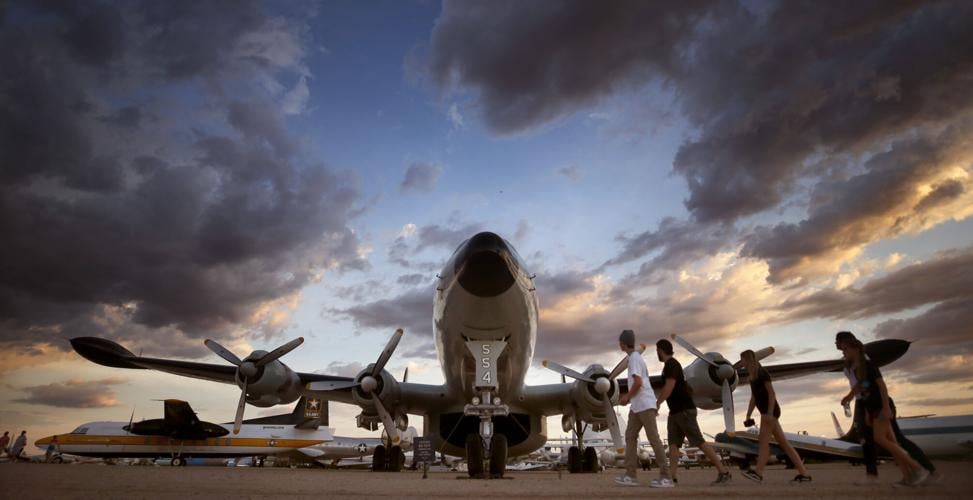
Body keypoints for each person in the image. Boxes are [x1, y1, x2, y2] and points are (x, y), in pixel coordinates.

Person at [835, 332, 940, 485]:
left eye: (843, 347)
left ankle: (920, 469)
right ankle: (909, 475)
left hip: (878, 404)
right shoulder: (853, 364)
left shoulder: (866, 364)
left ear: (850, 345)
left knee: (886, 440)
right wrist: (852, 398)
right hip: (867, 403)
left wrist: (885, 408)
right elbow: (863, 385)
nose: (841, 349)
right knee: (889, 441)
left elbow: (879, 386)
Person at [655, 339, 732, 485]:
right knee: (673, 444)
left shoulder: (672, 364)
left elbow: (669, 386)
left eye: (657, 351)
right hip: (675, 411)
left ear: (661, 350)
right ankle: (671, 477)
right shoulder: (669, 366)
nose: (656, 354)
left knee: (699, 442)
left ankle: (724, 472)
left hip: (684, 410)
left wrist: (658, 403)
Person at [738, 349, 812, 483]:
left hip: (770, 412)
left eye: (742, 359)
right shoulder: (752, 376)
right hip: (765, 412)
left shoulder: (762, 373)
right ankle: (804, 474)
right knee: (784, 444)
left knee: (763, 442)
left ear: (748, 359)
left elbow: (771, 394)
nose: (741, 363)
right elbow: (754, 397)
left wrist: (770, 413)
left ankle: (758, 473)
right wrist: (748, 414)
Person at [614, 330, 672, 488]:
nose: (619, 344)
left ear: (624, 343)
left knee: (653, 439)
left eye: (620, 341)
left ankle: (666, 477)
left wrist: (626, 397)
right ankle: (631, 475)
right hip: (637, 406)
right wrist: (631, 399)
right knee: (630, 436)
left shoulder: (633, 358)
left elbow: (638, 383)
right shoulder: (635, 358)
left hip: (645, 405)